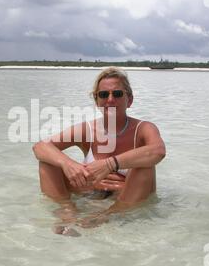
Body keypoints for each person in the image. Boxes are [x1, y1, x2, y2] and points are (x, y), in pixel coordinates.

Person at [32, 67, 166, 233]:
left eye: (117, 94)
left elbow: (158, 151)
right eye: (103, 95)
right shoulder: (88, 130)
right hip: (90, 193)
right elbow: (40, 147)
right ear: (97, 101)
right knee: (48, 160)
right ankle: (67, 211)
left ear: (129, 100)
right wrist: (69, 165)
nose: (110, 99)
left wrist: (110, 164)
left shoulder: (143, 128)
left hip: (126, 198)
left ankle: (109, 214)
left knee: (145, 165)